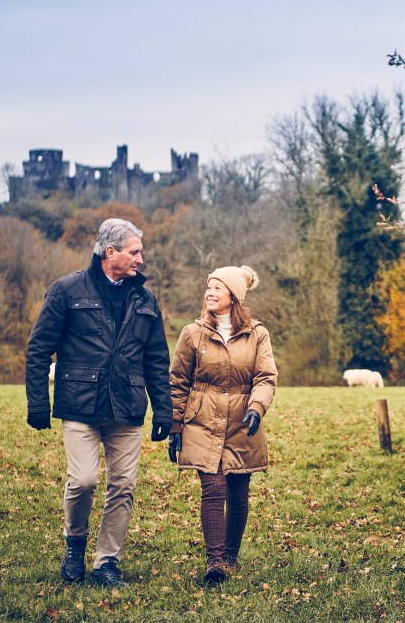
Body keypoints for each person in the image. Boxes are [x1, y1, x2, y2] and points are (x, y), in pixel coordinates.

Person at [25, 218, 172, 587]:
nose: (141, 258)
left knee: (123, 486)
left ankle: (107, 563)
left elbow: (156, 359)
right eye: (134, 251)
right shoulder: (66, 290)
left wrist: (164, 410)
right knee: (84, 480)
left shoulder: (145, 299)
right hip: (80, 405)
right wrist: (38, 404)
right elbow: (39, 349)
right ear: (111, 252)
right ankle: (75, 546)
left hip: (127, 407)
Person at [168, 264, 277, 584]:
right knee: (213, 488)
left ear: (234, 296)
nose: (209, 292)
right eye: (208, 287)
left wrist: (257, 407)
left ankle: (231, 555)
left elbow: (266, 377)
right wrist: (175, 425)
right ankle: (215, 560)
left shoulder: (257, 334)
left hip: (242, 422)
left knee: (238, 492)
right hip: (202, 420)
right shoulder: (192, 333)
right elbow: (178, 382)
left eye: (217, 287)